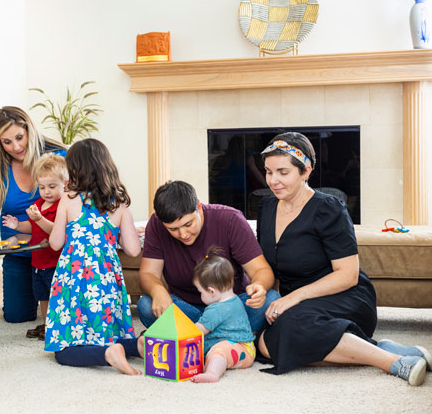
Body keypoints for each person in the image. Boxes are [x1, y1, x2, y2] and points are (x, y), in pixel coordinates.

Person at [256, 132, 431, 386]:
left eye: (283, 172)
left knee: (288, 330)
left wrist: (294, 297)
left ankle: (392, 363)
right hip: (300, 304)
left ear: (306, 171)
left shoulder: (329, 208)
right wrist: (270, 296)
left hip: (345, 296)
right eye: (269, 172)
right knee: (264, 344)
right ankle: (374, 347)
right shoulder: (267, 208)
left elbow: (347, 275)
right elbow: (270, 265)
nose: (274, 180)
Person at [44, 138, 142, 375]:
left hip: (73, 278)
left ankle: (107, 355)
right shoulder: (119, 204)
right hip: (105, 279)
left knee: (64, 351)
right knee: (108, 334)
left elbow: (55, 243)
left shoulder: (67, 199)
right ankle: (138, 346)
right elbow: (133, 250)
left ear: (75, 170)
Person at [137, 180, 279, 333]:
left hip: (230, 307)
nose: (183, 234)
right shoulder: (156, 224)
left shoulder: (230, 219)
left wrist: (259, 286)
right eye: (173, 229)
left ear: (199, 207)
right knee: (146, 304)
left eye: (188, 224)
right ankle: (227, 336)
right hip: (186, 309)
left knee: (271, 299)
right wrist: (158, 290)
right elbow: (148, 273)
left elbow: (261, 270)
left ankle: (193, 336)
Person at [0, 106, 65, 323]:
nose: (15, 147)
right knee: (16, 316)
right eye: (7, 142)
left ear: (29, 131)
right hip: (19, 252)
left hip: (56, 254)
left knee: (62, 313)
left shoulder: (58, 158)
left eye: (19, 137)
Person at [1, 153, 67, 339]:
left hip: (55, 262)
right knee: (43, 297)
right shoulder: (39, 203)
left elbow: (58, 231)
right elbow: (32, 226)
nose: (46, 192)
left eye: (52, 187)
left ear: (65, 184)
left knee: (57, 296)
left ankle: (59, 325)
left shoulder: (63, 206)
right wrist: (17, 225)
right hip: (38, 262)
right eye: (42, 187)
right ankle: (47, 326)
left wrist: (40, 218)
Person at [189, 246, 255, 383]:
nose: (200, 295)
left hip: (240, 350)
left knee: (218, 351)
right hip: (247, 347)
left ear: (212, 291)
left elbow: (196, 331)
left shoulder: (216, 310)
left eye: (200, 292)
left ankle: (212, 373)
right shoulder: (235, 299)